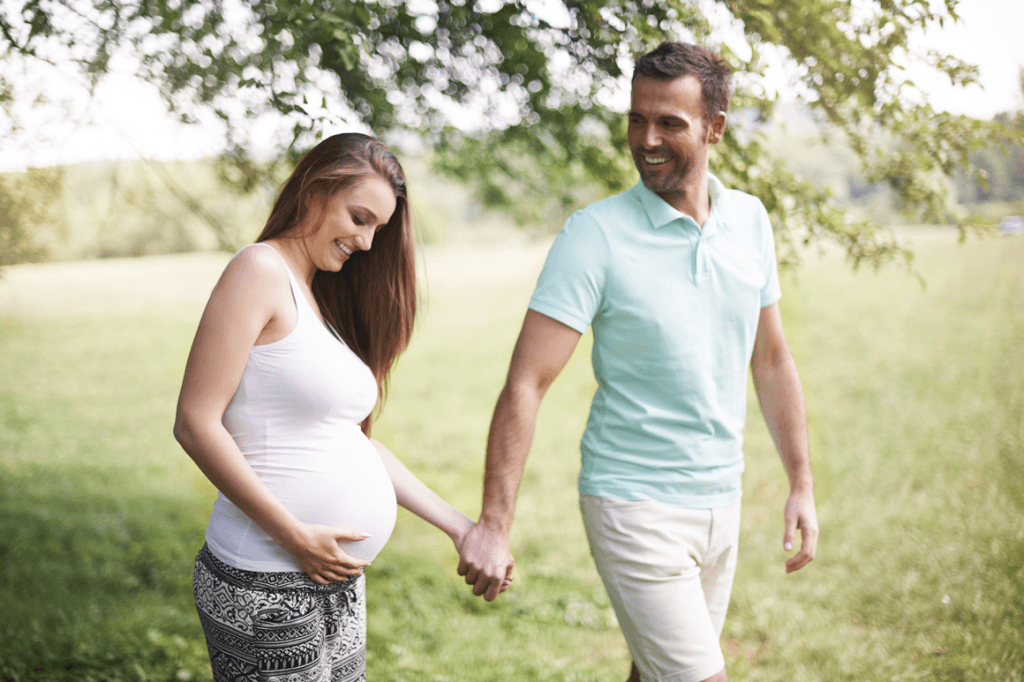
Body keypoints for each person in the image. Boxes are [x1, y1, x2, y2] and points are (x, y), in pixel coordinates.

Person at [456, 42, 819, 682]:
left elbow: (771, 358)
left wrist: (801, 482)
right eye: (636, 119)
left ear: (715, 128)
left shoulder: (750, 222)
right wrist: (493, 522)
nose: (646, 139)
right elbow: (526, 382)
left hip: (720, 497)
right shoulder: (594, 236)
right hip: (633, 503)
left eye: (669, 123)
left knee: (654, 672)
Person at [174, 133, 503, 682]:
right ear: (314, 191)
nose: (368, 242)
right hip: (265, 576)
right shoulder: (259, 270)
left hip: (329, 576)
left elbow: (349, 441)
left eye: (377, 227)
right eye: (359, 217)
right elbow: (195, 422)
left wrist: (459, 526)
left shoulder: (315, 294)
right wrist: (294, 535)